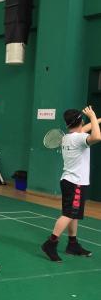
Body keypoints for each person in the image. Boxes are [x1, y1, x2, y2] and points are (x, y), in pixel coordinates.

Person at [41, 106, 101, 262]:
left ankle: (72, 245)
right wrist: (93, 116)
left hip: (69, 181)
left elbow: (86, 129)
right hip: (76, 183)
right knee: (68, 214)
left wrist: (98, 120)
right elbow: (96, 137)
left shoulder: (67, 137)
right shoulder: (80, 139)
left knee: (73, 215)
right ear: (80, 121)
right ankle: (50, 243)